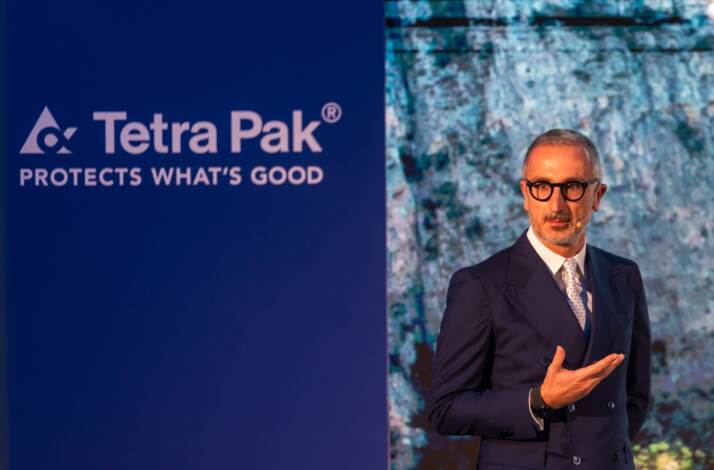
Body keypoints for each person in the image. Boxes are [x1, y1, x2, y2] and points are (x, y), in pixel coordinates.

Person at [428, 129, 651, 469]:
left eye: (572, 187)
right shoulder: (481, 285)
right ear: (525, 193)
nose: (556, 205)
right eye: (542, 187)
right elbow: (446, 409)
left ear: (598, 195)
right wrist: (539, 400)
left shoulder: (623, 275)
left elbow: (634, 397)